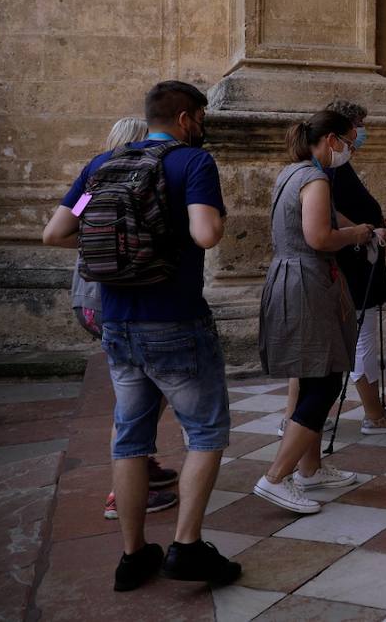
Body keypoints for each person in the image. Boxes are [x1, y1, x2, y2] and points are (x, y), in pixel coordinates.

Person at [42, 81, 239, 592]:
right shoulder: (193, 163)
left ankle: (133, 555)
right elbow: (205, 235)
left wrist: (118, 251)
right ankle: (187, 546)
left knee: (130, 437)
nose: (201, 125)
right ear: (185, 117)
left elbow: (56, 232)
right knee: (206, 432)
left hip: (117, 323)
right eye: (199, 116)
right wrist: (209, 218)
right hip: (175, 319)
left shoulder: (99, 166)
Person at [252, 110, 371, 514]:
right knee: (324, 381)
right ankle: (275, 477)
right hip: (307, 282)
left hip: (290, 276)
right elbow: (319, 235)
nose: (351, 150)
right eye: (350, 142)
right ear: (332, 140)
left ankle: (311, 468)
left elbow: (322, 218)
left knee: (310, 375)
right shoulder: (316, 178)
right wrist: (357, 234)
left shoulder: (293, 172)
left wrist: (359, 227)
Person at [71, 117, 182, 521]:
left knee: (143, 394)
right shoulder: (129, 178)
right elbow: (65, 231)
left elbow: (66, 227)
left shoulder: (92, 182)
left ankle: (142, 465)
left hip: (95, 300)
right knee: (134, 403)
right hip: (115, 301)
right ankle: (121, 491)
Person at [323, 99, 386, 435]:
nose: (362, 132)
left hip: (359, 260)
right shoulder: (330, 168)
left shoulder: (336, 167)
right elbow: (330, 212)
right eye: (357, 125)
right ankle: (375, 414)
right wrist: (365, 229)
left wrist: (373, 222)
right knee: (363, 340)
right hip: (354, 264)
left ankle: (298, 417)